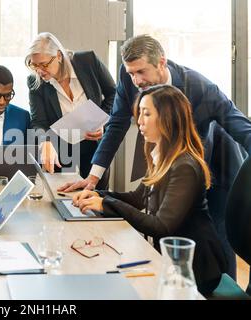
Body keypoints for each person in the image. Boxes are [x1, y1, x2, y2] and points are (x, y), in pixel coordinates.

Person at [60, 34, 251, 278]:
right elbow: (117, 123)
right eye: (131, 73)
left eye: (141, 72)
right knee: (175, 231)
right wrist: (94, 182)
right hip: (176, 162)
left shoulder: (201, 88)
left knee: (215, 240)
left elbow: (242, 129)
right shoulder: (131, 79)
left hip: (215, 168)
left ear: (162, 62)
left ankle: (222, 287)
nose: (136, 80)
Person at [73, 85, 228, 296]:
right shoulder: (161, 153)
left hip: (193, 267)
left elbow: (161, 226)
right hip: (168, 257)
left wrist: (106, 204)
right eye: (139, 114)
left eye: (147, 114)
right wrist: (99, 195)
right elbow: (138, 199)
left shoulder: (185, 165)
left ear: (168, 118)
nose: (139, 122)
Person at [26, 32, 116, 187]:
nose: (39, 71)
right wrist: (45, 142)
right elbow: (38, 122)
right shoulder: (36, 82)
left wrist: (103, 121)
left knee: (96, 197)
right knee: (63, 198)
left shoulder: (88, 61)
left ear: (59, 56)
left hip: (95, 147)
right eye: (35, 65)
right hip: (61, 152)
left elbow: (114, 93)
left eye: (44, 64)